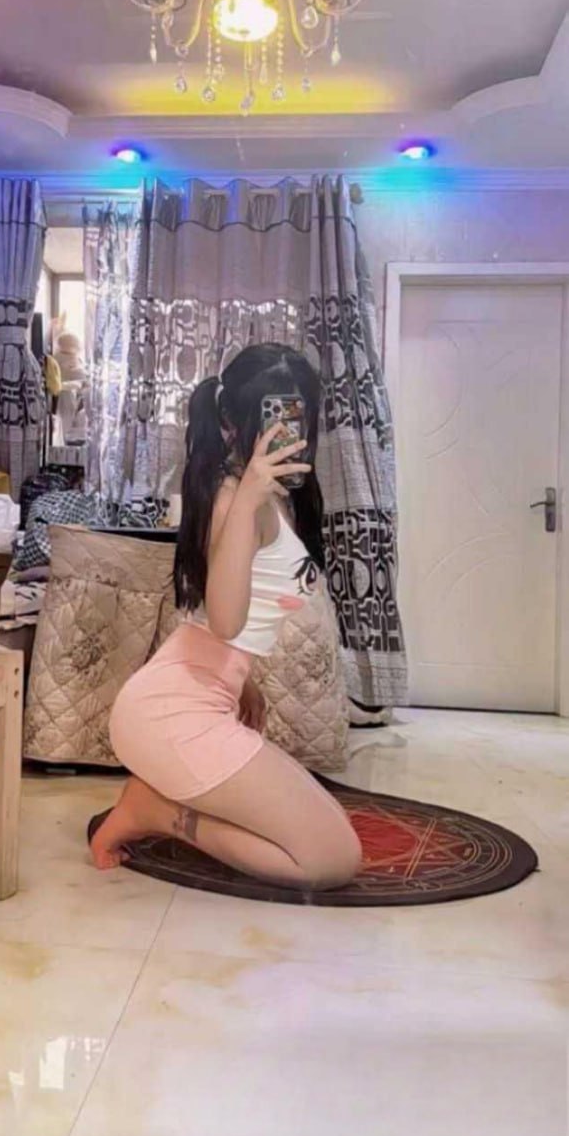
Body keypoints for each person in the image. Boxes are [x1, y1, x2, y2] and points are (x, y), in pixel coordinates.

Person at [88, 344, 362, 889]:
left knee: (332, 831)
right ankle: (156, 813)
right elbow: (225, 621)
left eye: (300, 416)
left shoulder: (267, 499)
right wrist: (248, 500)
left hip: (197, 699)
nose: (290, 432)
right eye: (275, 416)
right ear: (236, 425)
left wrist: (242, 682)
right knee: (332, 860)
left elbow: (222, 617)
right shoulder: (234, 499)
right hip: (170, 716)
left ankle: (153, 801)